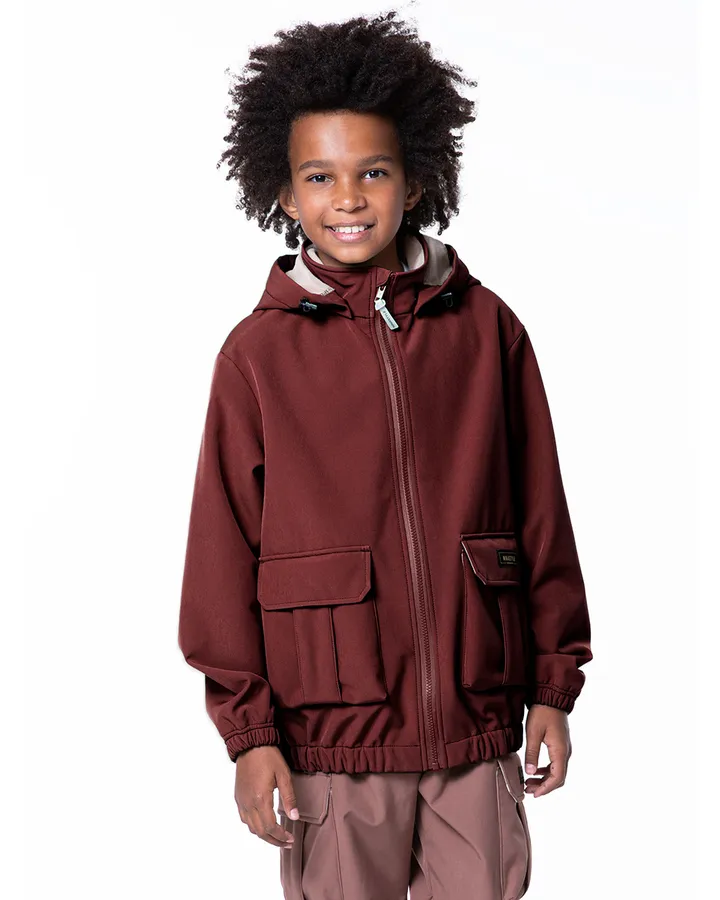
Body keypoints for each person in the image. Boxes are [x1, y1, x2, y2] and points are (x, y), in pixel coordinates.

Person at [177, 10, 592, 899]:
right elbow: (220, 555)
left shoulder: (487, 330)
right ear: (283, 194)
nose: (349, 198)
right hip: (333, 743)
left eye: (373, 172)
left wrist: (554, 687)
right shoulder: (256, 356)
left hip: (476, 727)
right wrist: (250, 739)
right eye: (319, 177)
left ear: (417, 178)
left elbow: (542, 516)